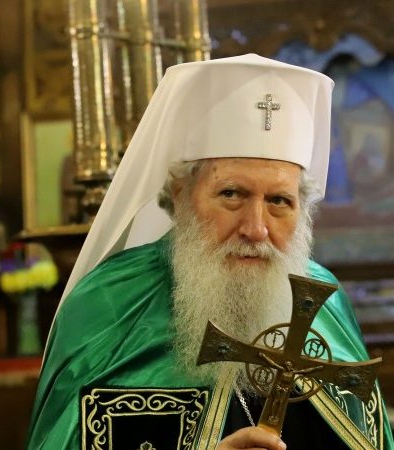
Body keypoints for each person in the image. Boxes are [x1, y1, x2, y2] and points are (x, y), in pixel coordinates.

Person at [26, 54, 394, 449]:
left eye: (279, 201)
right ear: (181, 196)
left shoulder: (322, 300)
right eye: (231, 194)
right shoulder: (108, 305)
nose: (256, 229)